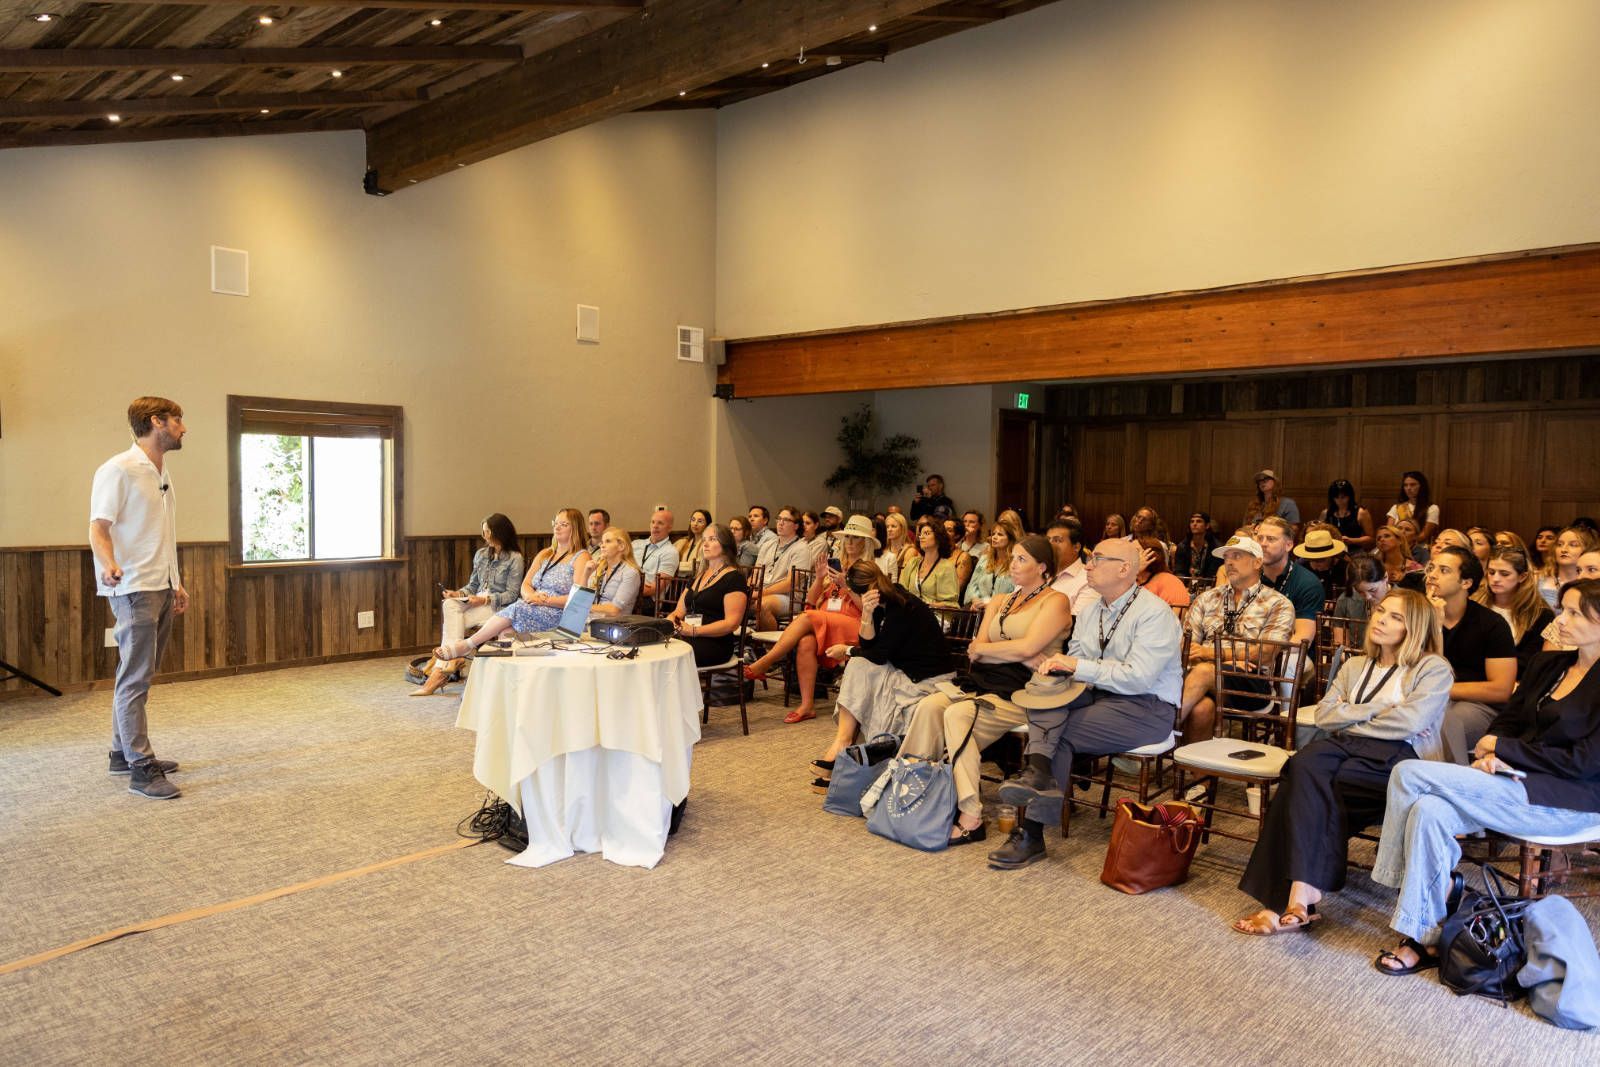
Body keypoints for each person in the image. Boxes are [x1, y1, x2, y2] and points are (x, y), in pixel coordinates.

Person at [1369, 579, 1600, 977]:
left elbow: (1585, 762)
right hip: (1514, 783)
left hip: (1568, 801)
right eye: (1563, 608)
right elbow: (1510, 720)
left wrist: (1505, 752)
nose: (1561, 618)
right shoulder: (1551, 665)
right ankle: (1423, 936)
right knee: (1427, 810)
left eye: (1574, 612)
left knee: (1408, 772)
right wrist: (1494, 752)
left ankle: (1391, 875)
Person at [1232, 589, 1451, 935]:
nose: (1381, 619)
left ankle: (1284, 899)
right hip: (1345, 749)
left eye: (1396, 617)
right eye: (1381, 610)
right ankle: (1300, 894)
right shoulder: (1355, 665)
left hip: (1400, 760)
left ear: (1416, 628)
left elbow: (1410, 723)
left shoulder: (1432, 668)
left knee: (1300, 774)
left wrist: (1351, 717)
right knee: (1306, 770)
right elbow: (1325, 716)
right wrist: (1378, 709)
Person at [987, 538, 1182, 868]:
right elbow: (1075, 657)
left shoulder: (1154, 614)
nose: (1087, 566)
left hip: (1146, 707)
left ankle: (1033, 818)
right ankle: (1040, 782)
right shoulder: (1093, 609)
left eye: (1097, 559)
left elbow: (1139, 677)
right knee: (1042, 701)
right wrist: (1058, 669)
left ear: (1124, 568)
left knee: (1058, 734)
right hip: (1099, 695)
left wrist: (1076, 666)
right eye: (1090, 559)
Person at [898, 535, 1072, 846]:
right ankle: (911, 791)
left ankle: (970, 815)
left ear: (1042, 567)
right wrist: (1018, 652)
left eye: (1021, 559)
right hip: (983, 683)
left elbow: (1029, 646)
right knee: (928, 707)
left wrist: (1012, 650)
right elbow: (976, 650)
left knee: (957, 715)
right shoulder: (1001, 600)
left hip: (1025, 692)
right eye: (1013, 558)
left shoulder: (1055, 601)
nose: (1013, 564)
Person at [90, 396, 190, 800]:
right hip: (133, 588)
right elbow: (98, 527)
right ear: (156, 422)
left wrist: (176, 582)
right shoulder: (119, 469)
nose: (184, 427)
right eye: (178, 420)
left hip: (161, 585)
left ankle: (121, 753)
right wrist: (110, 563)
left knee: (139, 674)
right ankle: (141, 768)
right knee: (134, 678)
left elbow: (161, 535)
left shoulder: (160, 471)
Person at [812, 560, 956, 783]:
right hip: (902, 666)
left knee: (862, 668)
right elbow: (870, 646)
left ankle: (860, 753)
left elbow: (879, 654)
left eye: (853, 595)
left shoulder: (901, 606)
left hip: (927, 676)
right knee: (859, 665)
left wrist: (848, 649)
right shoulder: (883, 601)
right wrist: (867, 616)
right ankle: (844, 740)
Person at [745, 516, 880, 726]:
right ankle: (807, 705)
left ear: (866, 542)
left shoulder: (870, 569)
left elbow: (869, 609)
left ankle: (767, 661)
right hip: (827, 620)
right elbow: (810, 600)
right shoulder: (838, 565)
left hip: (855, 625)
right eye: (847, 538)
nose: (850, 542)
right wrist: (819, 578)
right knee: (806, 641)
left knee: (808, 616)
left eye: (855, 538)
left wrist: (846, 586)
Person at [1180, 535, 1295, 745]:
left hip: (1252, 682)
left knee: (1206, 671)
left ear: (1257, 562)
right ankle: (1200, 776)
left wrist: (1211, 655)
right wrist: (1226, 661)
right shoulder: (1207, 598)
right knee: (1201, 708)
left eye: (1237, 556)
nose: (1229, 562)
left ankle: (1160, 731)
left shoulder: (1278, 603)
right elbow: (1186, 647)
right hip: (1201, 674)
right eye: (1226, 557)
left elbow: (1265, 654)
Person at [434, 508, 592, 660]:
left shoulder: (581, 557)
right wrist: (532, 596)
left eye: (563, 524)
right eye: (555, 523)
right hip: (533, 606)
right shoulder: (546, 553)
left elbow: (577, 599)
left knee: (517, 607)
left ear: (575, 528)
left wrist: (544, 600)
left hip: (557, 613)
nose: (557, 527)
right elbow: (525, 585)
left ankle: (466, 645)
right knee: (505, 631)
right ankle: (508, 678)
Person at [414, 513, 525, 696]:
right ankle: (454, 657)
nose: (485, 537)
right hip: (476, 601)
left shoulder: (515, 558)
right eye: (483, 532)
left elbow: (512, 594)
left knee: (454, 620)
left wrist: (485, 600)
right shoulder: (481, 555)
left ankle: (441, 670)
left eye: (487, 532)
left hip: (496, 606)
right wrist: (458, 594)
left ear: (499, 532)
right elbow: (473, 585)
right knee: (449, 604)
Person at [1429, 546, 1517, 763]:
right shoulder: (1417, 617)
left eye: (1444, 570)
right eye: (1431, 568)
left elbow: (1501, 689)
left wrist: (1441, 690)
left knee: (1443, 722)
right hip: (1429, 698)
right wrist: (1434, 626)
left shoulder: (1492, 624)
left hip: (1477, 704)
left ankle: (1455, 785)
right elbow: (1421, 672)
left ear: (1466, 583)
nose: (1432, 574)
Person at [666, 524, 749, 667]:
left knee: (671, 657)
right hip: (688, 635)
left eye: (712, 539)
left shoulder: (734, 578)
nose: (705, 544)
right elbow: (678, 612)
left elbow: (731, 623)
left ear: (726, 544)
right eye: (704, 539)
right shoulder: (698, 576)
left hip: (714, 643)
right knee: (655, 649)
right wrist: (671, 621)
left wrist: (695, 631)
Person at [1473, 546, 1552, 673]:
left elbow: (1529, 661)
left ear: (1522, 577)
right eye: (1491, 572)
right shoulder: (1473, 604)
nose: (1495, 579)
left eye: (1504, 574)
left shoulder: (1540, 615)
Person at [1256, 517, 1320, 651]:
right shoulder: (1250, 575)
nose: (1263, 544)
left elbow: (1302, 639)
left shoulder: (1307, 583)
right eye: (1260, 538)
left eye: (1271, 539)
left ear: (1289, 545)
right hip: (1247, 650)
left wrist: (1262, 656)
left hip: (1290, 655)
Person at [754, 506, 819, 630]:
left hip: (789, 598)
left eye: (786, 520)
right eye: (779, 519)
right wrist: (747, 589)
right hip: (762, 591)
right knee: (734, 599)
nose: (780, 523)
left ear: (796, 526)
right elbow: (755, 574)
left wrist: (759, 593)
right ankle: (743, 644)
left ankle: (771, 648)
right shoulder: (768, 545)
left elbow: (790, 583)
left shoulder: (802, 548)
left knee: (762, 605)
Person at [1332, 551, 1388, 646]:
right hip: (1356, 657)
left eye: (1373, 590)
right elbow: (1339, 645)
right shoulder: (1346, 599)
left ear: (1385, 577)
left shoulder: (1404, 602)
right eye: (1360, 591)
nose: (1367, 597)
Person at [584, 526, 643, 617]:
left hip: (614, 625)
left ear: (621, 546)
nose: (602, 546)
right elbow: (582, 598)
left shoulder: (630, 573)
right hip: (590, 621)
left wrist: (582, 607)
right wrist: (586, 574)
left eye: (608, 541)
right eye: (602, 542)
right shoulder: (600, 568)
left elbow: (614, 610)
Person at [1538, 524, 1600, 608]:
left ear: (1588, 548)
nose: (1563, 549)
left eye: (1573, 545)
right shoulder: (1537, 579)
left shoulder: (1593, 583)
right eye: (1559, 544)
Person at [1046, 516, 1098, 617]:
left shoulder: (1089, 580)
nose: (1050, 545)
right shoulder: (1039, 571)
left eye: (1057, 540)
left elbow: (1075, 625)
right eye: (1048, 540)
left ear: (1076, 547)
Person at [901, 519, 960, 607]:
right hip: (911, 612)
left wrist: (926, 606)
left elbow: (950, 604)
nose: (921, 537)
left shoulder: (947, 567)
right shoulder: (913, 562)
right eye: (920, 534)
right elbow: (901, 591)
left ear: (938, 537)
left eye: (927, 533)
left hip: (936, 614)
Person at [632, 508, 680, 606]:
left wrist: (628, 588)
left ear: (669, 528)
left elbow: (656, 588)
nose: (655, 526)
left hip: (648, 601)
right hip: (628, 594)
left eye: (660, 523)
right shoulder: (635, 544)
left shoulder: (670, 552)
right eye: (653, 522)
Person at [964, 521, 1018, 609]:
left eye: (1000, 535)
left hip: (1002, 610)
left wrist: (991, 604)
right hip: (978, 608)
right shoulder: (984, 559)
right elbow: (972, 585)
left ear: (1010, 539)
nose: (994, 537)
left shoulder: (1016, 563)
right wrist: (975, 600)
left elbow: (1016, 593)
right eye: (993, 534)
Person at [1293, 524, 1348, 601]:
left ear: (1331, 555)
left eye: (1321, 560)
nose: (1316, 565)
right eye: (1312, 560)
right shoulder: (1300, 567)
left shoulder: (1345, 568)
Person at [1135, 535, 1190, 610]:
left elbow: (1174, 618)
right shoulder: (1130, 580)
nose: (1126, 555)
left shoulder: (1169, 583)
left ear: (1150, 556)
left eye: (1134, 551)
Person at [1318, 479, 1374, 550]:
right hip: (1331, 552)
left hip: (1354, 552)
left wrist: (1352, 541)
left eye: (1343, 497)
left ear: (1350, 496)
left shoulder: (1361, 512)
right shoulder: (1326, 513)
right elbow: (1318, 534)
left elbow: (1371, 538)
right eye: (1336, 497)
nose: (1339, 501)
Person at [1386, 471, 1439, 544]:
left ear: (1421, 486)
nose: (1408, 488)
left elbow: (1424, 535)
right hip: (1396, 546)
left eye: (1413, 485)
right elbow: (1389, 531)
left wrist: (1406, 545)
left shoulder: (1432, 508)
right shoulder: (1396, 507)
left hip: (1418, 548)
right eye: (1405, 485)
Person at [1244, 469, 1300, 533]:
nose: (1262, 482)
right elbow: (1245, 525)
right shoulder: (1253, 504)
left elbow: (1294, 528)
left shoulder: (1288, 503)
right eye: (1259, 481)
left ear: (1275, 482)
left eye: (1266, 479)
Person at [1173, 511, 1222, 583]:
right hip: (1186, 584)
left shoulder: (1215, 547)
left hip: (1207, 586)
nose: (1194, 524)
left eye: (1199, 521)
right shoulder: (1182, 546)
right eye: (1192, 522)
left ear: (1207, 525)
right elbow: (1179, 571)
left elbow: (1213, 574)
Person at [877, 511, 918, 578]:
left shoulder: (910, 551)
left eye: (893, 526)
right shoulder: (883, 548)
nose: (889, 529)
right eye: (887, 527)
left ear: (902, 528)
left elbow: (904, 578)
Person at [674, 509, 711, 576]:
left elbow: (699, 567)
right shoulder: (683, 542)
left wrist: (679, 566)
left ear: (707, 525)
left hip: (698, 580)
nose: (695, 524)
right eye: (693, 520)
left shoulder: (707, 544)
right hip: (681, 581)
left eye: (700, 521)